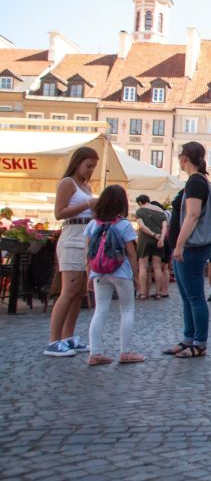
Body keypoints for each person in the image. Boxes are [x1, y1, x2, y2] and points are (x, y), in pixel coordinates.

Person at [161, 142, 211, 359]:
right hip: (186, 247)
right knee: (187, 296)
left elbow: (193, 215)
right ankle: (188, 339)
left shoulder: (196, 182)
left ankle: (200, 343)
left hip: (191, 247)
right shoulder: (194, 181)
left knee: (194, 296)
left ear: (184, 158)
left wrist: (180, 244)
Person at [46, 146, 99, 357]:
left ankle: (68, 336)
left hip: (84, 235)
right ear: (77, 163)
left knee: (78, 293)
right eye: (88, 166)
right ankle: (53, 340)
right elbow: (59, 213)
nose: (91, 170)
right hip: (72, 235)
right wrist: (87, 204)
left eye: (93, 167)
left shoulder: (85, 187)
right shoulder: (67, 183)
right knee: (68, 290)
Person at [84, 185, 144, 366]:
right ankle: (126, 352)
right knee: (127, 310)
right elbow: (131, 253)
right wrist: (136, 276)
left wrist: (89, 275)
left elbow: (88, 253)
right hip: (121, 271)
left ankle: (95, 353)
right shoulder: (124, 225)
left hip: (99, 272)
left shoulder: (92, 224)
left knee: (100, 310)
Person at [134, 195, 169, 300]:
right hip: (158, 241)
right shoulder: (161, 212)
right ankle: (158, 292)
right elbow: (165, 226)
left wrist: (153, 234)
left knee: (143, 267)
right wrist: (161, 238)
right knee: (157, 267)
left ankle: (143, 293)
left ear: (140, 202)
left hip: (145, 240)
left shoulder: (140, 211)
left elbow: (142, 226)